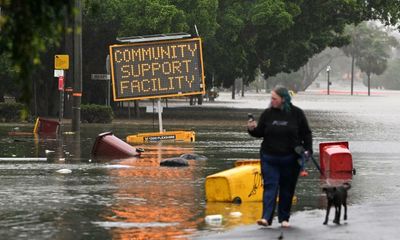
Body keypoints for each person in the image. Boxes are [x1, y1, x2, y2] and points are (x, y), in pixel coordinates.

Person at [247, 85, 312, 228]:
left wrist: (308, 150)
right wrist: (251, 129)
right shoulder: (267, 114)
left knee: (287, 189)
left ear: (283, 99)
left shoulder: (297, 114)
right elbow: (259, 133)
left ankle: (284, 218)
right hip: (269, 157)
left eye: (274, 98)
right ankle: (266, 218)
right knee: (270, 186)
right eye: (271, 98)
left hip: (290, 158)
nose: (272, 101)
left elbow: (307, 133)